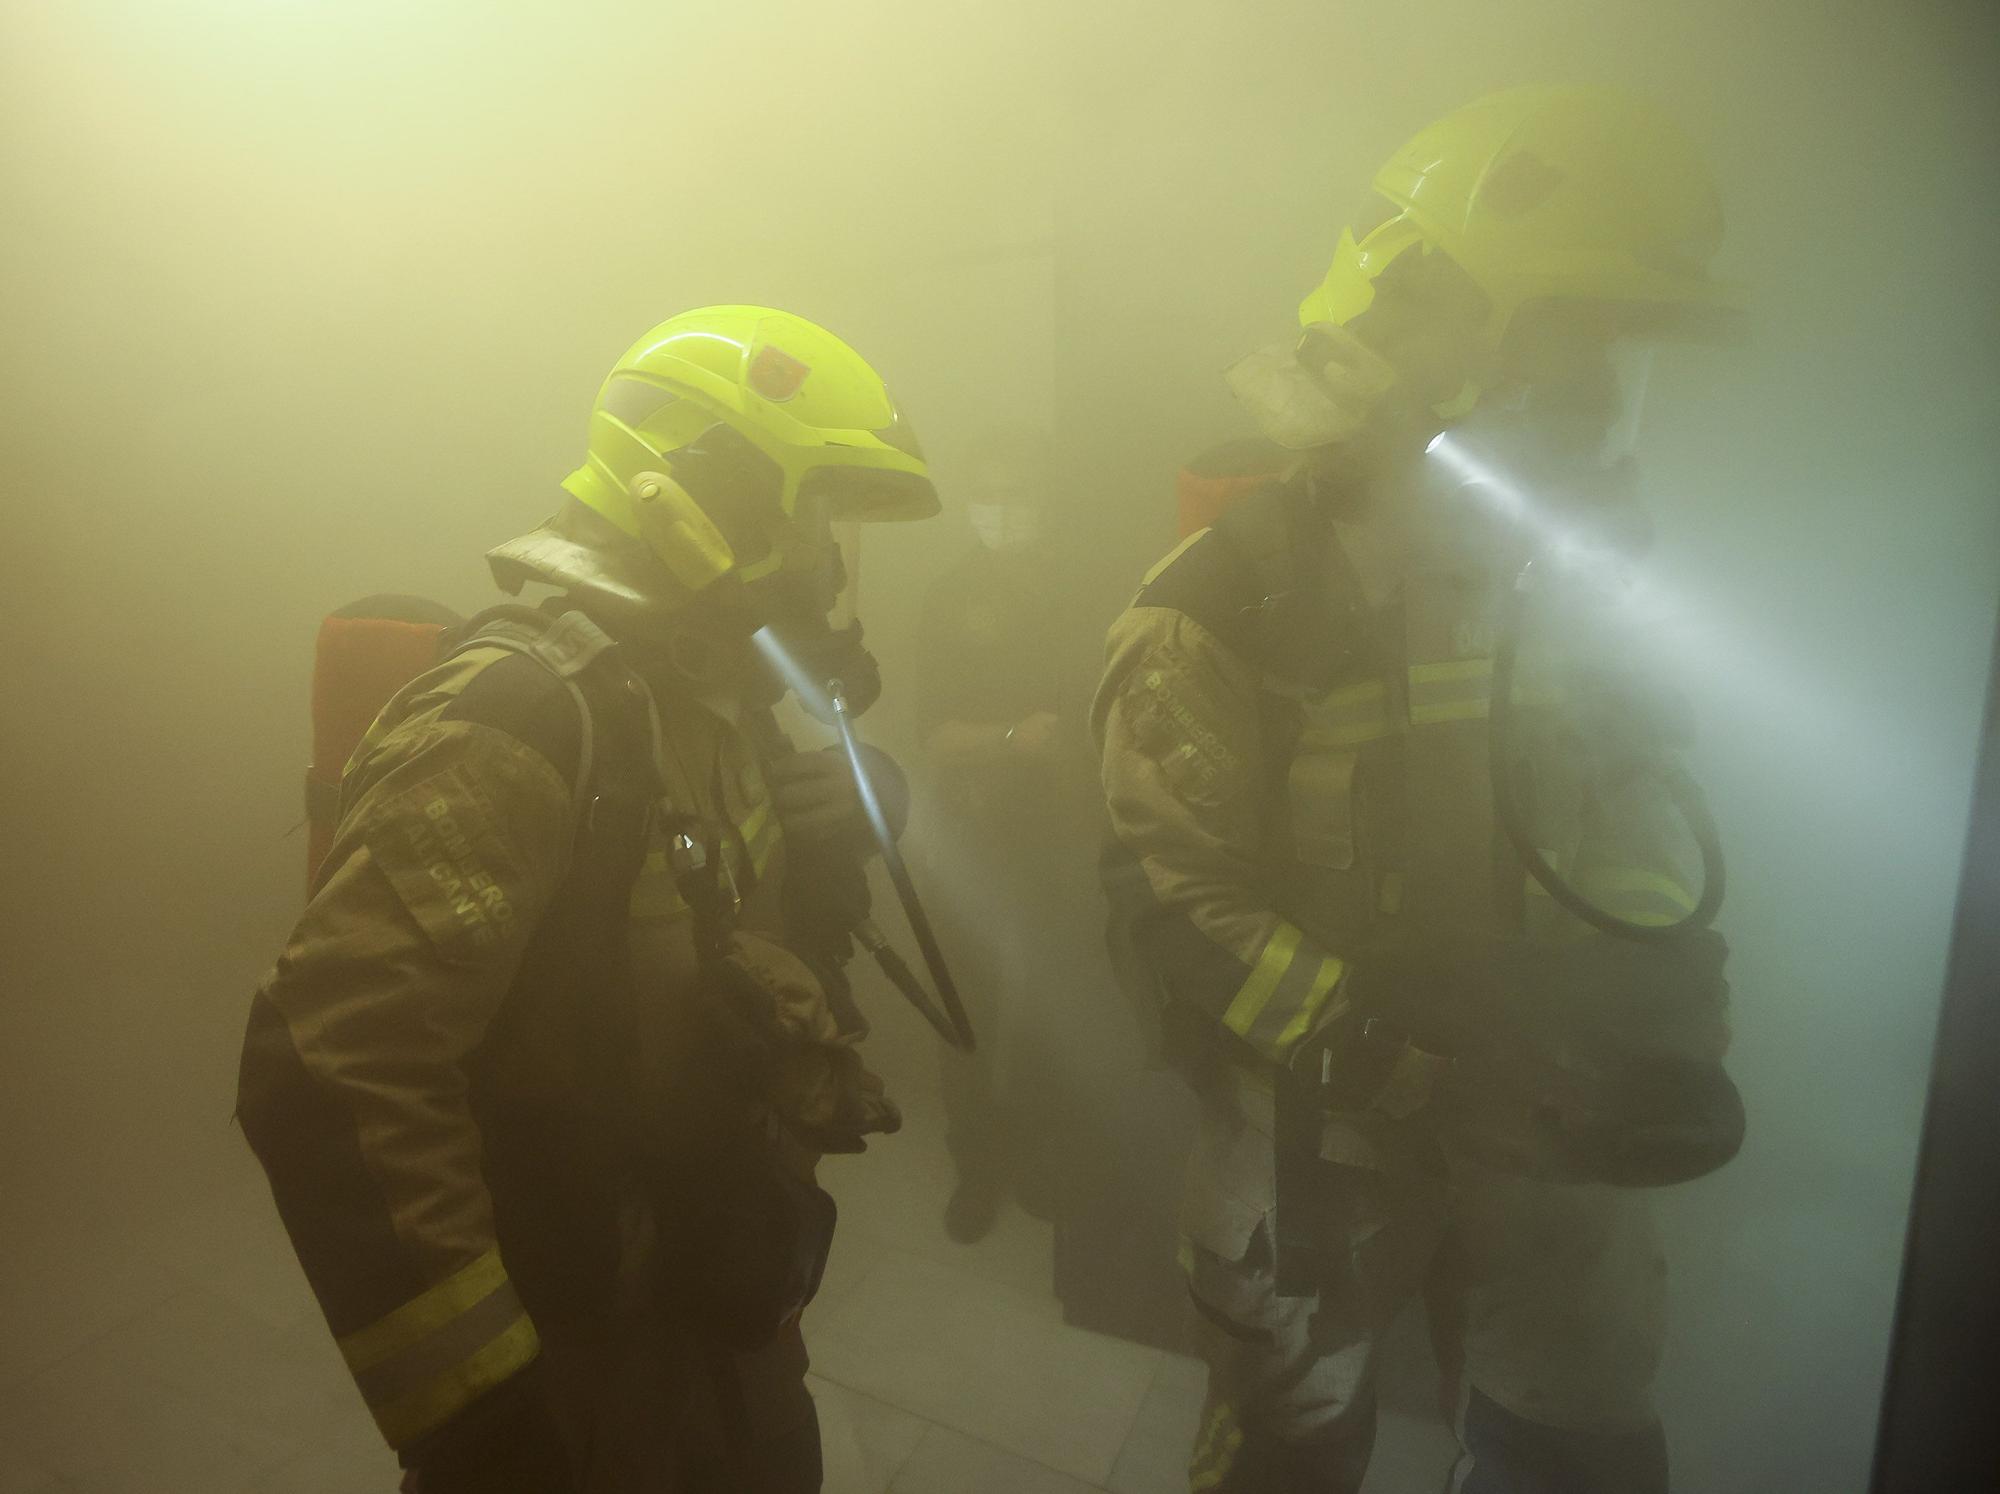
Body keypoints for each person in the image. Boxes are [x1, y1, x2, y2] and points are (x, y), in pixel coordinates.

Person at [1094, 87, 1746, 1493]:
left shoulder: (1566, 574)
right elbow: (1174, 902)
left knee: (1577, 1433)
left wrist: (1650, 969)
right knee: (1291, 1443)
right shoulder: (1221, 603)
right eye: (1569, 343)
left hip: (1547, 1128)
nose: (1596, 397)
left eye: (1613, 353)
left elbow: (1624, 787)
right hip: (1321, 1143)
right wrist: (1407, 1054)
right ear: (1433, 331)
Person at [237, 305, 939, 1492]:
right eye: (815, 510)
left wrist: (869, 799)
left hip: (713, 1302)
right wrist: (481, 1415)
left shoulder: (695, 700)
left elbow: (747, 927)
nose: (830, 557)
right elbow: (326, 1067)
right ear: (703, 490)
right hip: (585, 1370)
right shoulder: (519, 713)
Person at [910, 434, 1106, 1244]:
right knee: (970, 1014)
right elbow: (929, 735)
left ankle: (1047, 1160)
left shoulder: (1081, 588)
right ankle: (977, 1166)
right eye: (985, 490)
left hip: (1064, 835)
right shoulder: (950, 598)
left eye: (1016, 489)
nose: (1001, 508)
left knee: (1062, 1000)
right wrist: (1009, 742)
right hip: (974, 833)